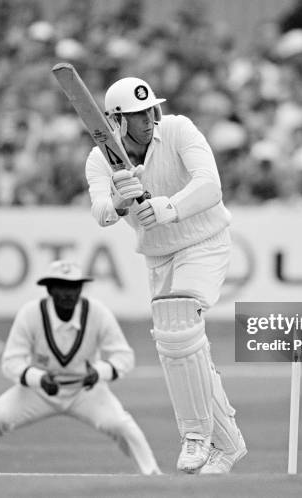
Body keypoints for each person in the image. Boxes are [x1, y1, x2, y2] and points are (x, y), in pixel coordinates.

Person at [85, 77, 246, 474]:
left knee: (178, 318)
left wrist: (166, 208)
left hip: (205, 242)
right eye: (137, 115)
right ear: (116, 122)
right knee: (180, 348)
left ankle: (195, 435)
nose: (148, 119)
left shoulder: (178, 129)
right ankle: (228, 445)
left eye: (150, 110)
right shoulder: (100, 158)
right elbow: (101, 211)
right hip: (158, 257)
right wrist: (121, 203)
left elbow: (210, 186)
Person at [0, 260, 161, 475]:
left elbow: (124, 356)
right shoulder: (31, 313)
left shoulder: (97, 313)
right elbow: (11, 362)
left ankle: (153, 475)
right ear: (49, 289)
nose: (67, 293)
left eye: (73, 287)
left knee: (122, 426)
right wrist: (38, 378)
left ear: (81, 289)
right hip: (40, 390)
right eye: (61, 286)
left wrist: (99, 372)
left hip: (86, 390)